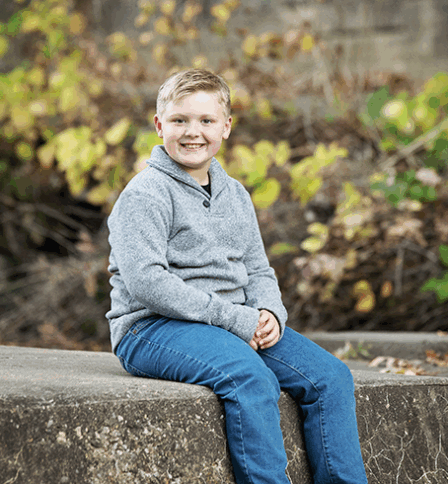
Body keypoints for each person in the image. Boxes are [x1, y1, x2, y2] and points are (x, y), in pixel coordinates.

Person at [106, 68, 368, 484]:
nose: (193, 132)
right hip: (152, 327)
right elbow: (147, 282)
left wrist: (269, 312)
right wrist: (235, 320)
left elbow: (258, 268)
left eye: (206, 120)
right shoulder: (144, 194)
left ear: (226, 127)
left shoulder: (235, 194)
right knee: (250, 378)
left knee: (331, 378)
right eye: (179, 120)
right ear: (159, 125)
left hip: (233, 324)